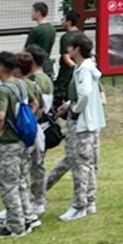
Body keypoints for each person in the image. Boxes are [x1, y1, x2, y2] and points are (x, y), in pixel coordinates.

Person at [44, 32, 103, 221]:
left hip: (82, 123)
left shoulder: (83, 70)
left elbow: (84, 94)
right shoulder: (87, 67)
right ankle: (90, 202)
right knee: (88, 163)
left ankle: (79, 205)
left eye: (70, 46)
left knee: (80, 165)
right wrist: (70, 104)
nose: (68, 49)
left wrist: (75, 109)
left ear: (77, 49)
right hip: (91, 122)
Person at [0, 51, 34, 237]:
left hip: (8, 142)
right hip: (22, 139)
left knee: (8, 185)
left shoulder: (2, 90)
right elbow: (33, 103)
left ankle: (16, 226)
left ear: (0, 67)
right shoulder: (20, 84)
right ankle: (27, 217)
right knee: (21, 181)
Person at [18, 48, 52, 221]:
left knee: (30, 165)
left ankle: (33, 201)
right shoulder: (46, 78)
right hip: (42, 123)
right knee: (38, 165)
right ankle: (38, 199)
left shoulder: (33, 81)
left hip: (35, 124)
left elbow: (38, 105)